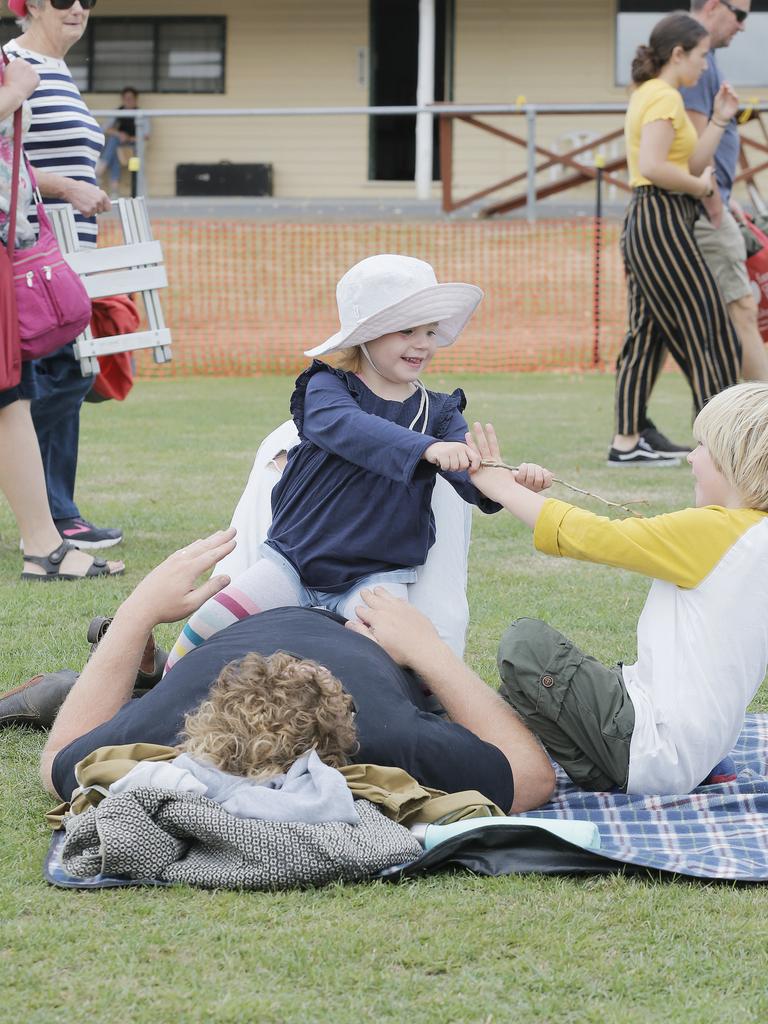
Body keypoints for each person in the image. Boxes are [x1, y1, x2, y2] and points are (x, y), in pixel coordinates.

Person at [163, 254, 531, 673]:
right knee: (214, 621)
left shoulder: (442, 413)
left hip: (378, 576)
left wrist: (511, 480)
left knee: (394, 656)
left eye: (430, 331)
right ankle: (163, 684)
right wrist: (425, 449)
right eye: (406, 330)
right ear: (367, 335)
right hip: (295, 562)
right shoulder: (327, 388)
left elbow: (470, 478)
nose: (423, 343)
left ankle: (423, 713)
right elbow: (349, 429)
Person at [32, 528, 556, 814]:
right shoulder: (392, 735)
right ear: (346, 727)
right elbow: (532, 777)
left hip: (238, 619)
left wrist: (140, 609)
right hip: (370, 624)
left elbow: (59, 757)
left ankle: (142, 671)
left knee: (287, 468)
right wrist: (428, 652)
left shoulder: (166, 721)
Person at [467, 382, 768, 796]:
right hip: (695, 750)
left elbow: (589, 535)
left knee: (527, 645)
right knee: (560, 684)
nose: (690, 457)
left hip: (653, 756)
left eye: (702, 447)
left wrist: (497, 485)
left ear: (735, 460)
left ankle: (490, 753)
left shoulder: (717, 531)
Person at [5, 0, 123, 550]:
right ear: (26, 6)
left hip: (69, 254)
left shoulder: (57, 71)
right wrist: (69, 188)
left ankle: (60, 513)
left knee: (70, 370)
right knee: (66, 375)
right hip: (33, 257)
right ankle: (55, 514)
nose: (77, 7)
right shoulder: (14, 65)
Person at [609, 11, 741, 467]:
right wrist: (703, 189)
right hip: (661, 217)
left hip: (655, 218)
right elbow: (654, 167)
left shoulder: (656, 94)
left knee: (646, 335)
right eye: (702, 55)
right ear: (679, 53)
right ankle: (724, 445)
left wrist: (721, 119)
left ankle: (626, 443)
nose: (706, 65)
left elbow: (688, 160)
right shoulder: (664, 96)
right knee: (713, 330)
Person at [681, 0, 768, 382]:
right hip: (705, 212)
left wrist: (726, 199)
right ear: (714, 6)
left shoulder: (704, 58)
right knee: (742, 312)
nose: (744, 27)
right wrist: (716, 204)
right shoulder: (696, 59)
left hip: (714, 206)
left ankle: (631, 431)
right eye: (741, 15)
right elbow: (695, 147)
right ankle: (759, 425)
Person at [96, 86, 140, 199]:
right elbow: (104, 128)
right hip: (118, 148)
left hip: (132, 149)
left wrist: (128, 138)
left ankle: (98, 171)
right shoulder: (119, 112)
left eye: (130, 98)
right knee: (114, 144)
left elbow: (145, 136)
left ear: (135, 99)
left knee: (113, 143)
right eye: (125, 98)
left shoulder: (140, 113)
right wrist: (119, 134)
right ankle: (114, 191)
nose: (128, 101)